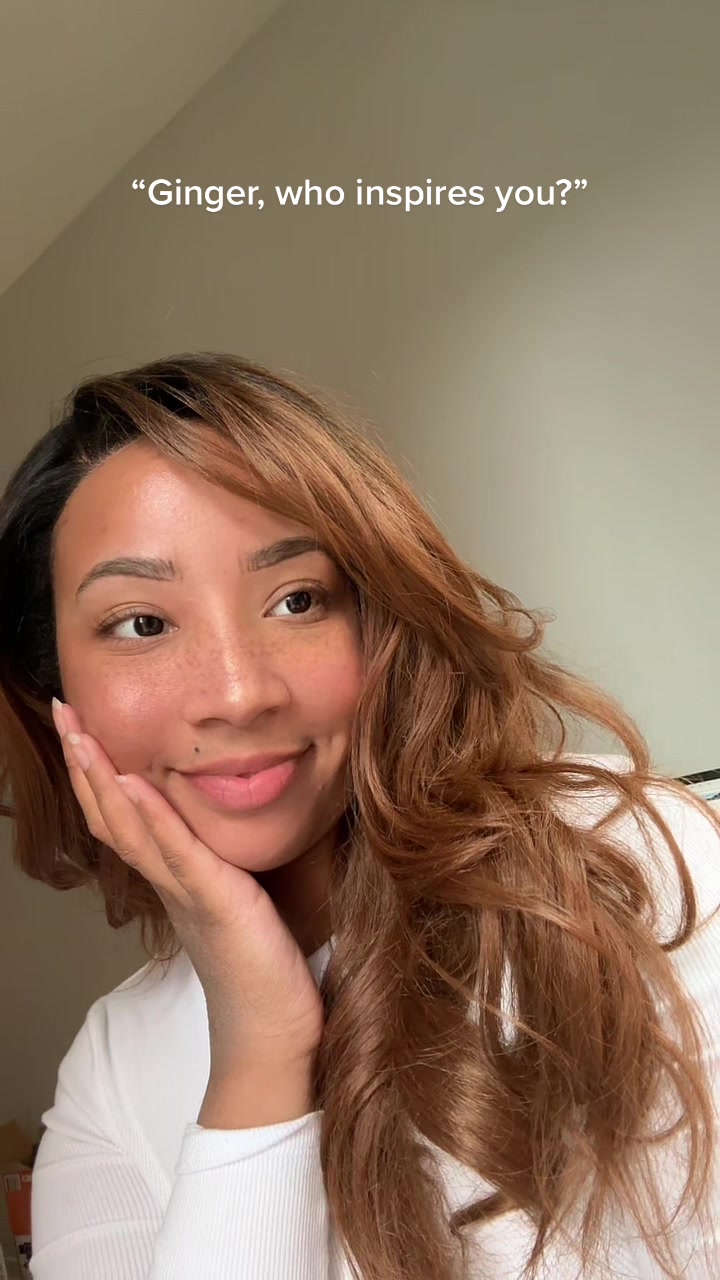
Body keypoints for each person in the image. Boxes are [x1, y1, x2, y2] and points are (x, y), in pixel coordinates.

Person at [0, 352, 718, 1280]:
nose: (239, 693)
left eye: (297, 600)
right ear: (53, 689)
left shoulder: (625, 860)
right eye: (142, 623)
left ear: (379, 616)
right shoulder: (111, 1071)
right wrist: (259, 1043)